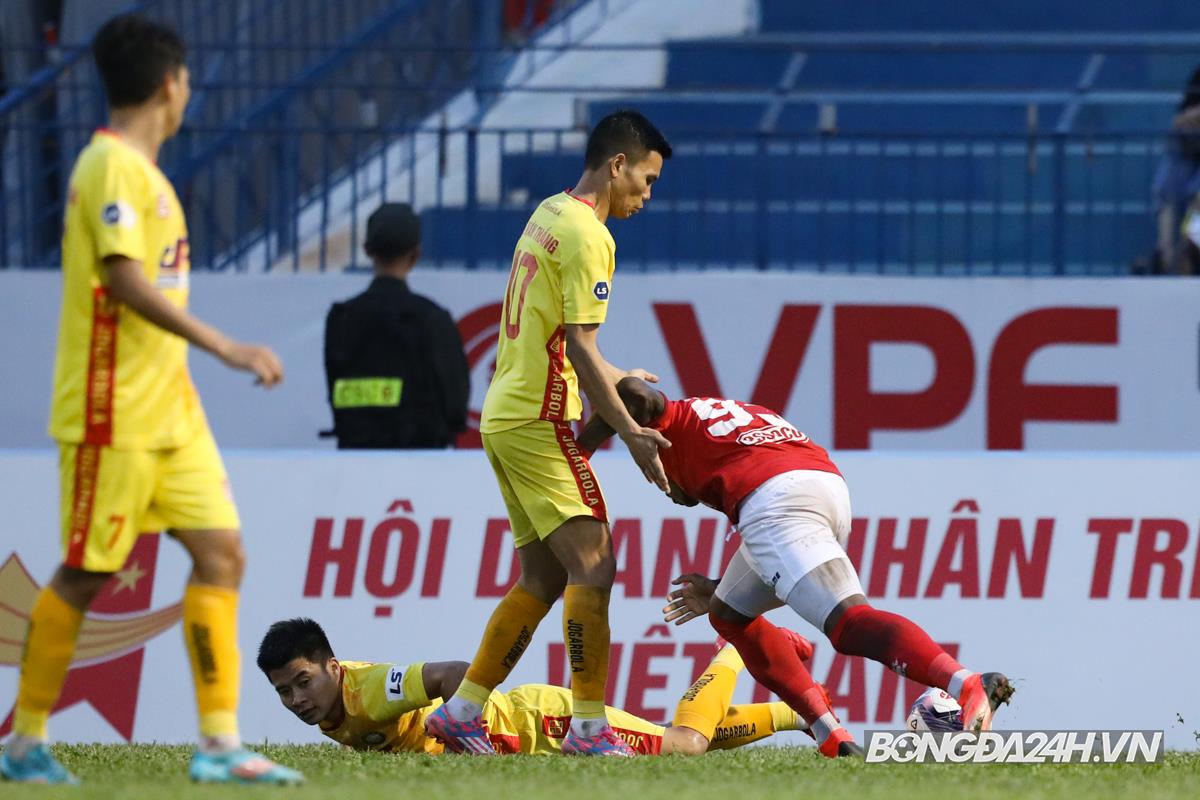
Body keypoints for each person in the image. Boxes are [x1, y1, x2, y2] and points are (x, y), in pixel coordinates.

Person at [0, 14, 301, 785]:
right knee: (85, 573)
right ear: (171, 83)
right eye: (188, 77)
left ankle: (220, 743)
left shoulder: (149, 175)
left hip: (172, 413)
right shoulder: (108, 168)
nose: (189, 88)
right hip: (113, 413)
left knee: (222, 553)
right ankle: (25, 739)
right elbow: (124, 279)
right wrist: (227, 345)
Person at [578, 378, 1014, 758]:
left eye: (652, 476)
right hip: (820, 484)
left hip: (775, 502)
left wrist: (582, 452)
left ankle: (965, 683)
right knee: (729, 614)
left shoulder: (666, 421)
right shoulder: (707, 418)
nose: (661, 487)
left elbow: (630, 391)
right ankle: (830, 735)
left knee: (847, 623)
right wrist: (716, 587)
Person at [423, 110, 673, 757]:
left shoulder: (548, 213)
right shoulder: (592, 237)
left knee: (542, 576)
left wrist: (620, 375)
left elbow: (559, 337)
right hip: (537, 418)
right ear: (618, 165)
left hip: (505, 413)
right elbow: (583, 353)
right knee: (596, 561)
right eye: (645, 181)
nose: (646, 197)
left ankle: (463, 712)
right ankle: (589, 731)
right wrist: (630, 432)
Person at [257, 617, 816, 755]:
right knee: (679, 744)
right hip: (529, 724)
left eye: (302, 682)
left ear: (332, 668)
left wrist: (468, 727)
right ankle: (796, 714)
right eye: (284, 692)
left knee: (685, 744)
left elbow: (452, 672)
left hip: (542, 726)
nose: (296, 700)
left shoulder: (369, 691)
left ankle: (738, 649)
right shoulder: (330, 704)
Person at [324, 203, 469, 448]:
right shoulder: (432, 319)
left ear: (367, 250)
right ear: (416, 255)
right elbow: (456, 407)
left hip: (354, 462)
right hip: (420, 465)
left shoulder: (341, 318)